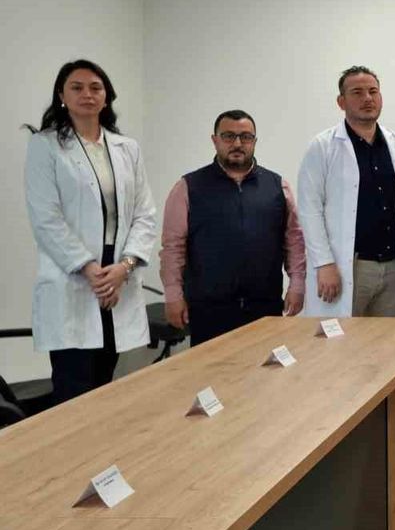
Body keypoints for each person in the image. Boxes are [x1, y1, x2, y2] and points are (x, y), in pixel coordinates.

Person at [23, 59, 157, 404]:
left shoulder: (127, 148)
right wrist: (90, 269)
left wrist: (124, 267)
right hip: (76, 274)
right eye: (77, 87)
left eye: (96, 87)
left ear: (106, 96)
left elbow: (144, 214)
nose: (87, 94)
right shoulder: (45, 145)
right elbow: (46, 218)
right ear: (62, 95)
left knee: (105, 384)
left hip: (118, 270)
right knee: (73, 388)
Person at [159, 110, 306, 345]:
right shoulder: (188, 187)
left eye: (246, 137)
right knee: (211, 369)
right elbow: (172, 247)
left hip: (265, 308)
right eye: (228, 136)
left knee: (266, 367)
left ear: (255, 141)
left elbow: (294, 241)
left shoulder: (278, 186)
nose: (237, 144)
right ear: (215, 140)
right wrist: (173, 295)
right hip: (209, 311)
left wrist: (297, 284)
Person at [297, 66, 395, 318]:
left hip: (394, 267)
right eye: (357, 92)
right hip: (349, 267)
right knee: (341, 339)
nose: (367, 98)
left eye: (373, 91)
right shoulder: (323, 146)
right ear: (341, 102)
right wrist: (324, 263)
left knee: (389, 340)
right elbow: (309, 210)